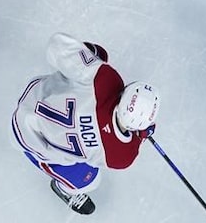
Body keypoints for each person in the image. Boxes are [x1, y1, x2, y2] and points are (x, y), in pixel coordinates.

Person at [11, 32, 158, 215]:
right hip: (32, 142)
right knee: (90, 180)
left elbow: (57, 46)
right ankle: (65, 188)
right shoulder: (122, 157)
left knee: (89, 67)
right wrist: (141, 136)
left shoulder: (106, 80)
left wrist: (92, 55)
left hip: (31, 107)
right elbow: (128, 139)